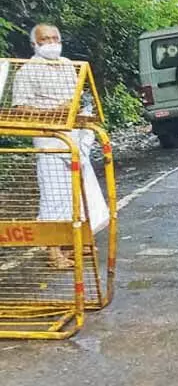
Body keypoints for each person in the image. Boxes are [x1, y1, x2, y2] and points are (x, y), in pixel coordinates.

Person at [11, 24, 110, 268]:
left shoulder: (68, 65)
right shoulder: (27, 71)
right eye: (46, 39)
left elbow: (77, 98)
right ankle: (54, 253)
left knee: (80, 192)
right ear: (34, 44)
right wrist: (56, 111)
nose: (52, 43)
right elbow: (20, 109)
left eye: (55, 38)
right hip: (50, 141)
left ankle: (76, 242)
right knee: (54, 196)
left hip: (75, 138)